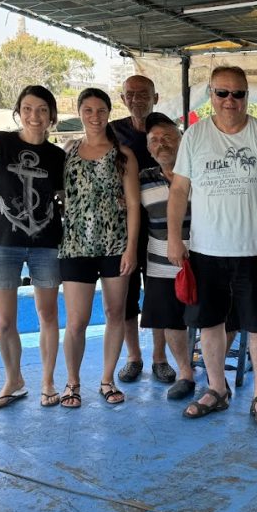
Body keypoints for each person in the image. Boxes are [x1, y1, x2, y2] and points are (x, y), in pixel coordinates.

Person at [166, 66, 257, 426]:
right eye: (222, 93)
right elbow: (178, 190)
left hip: (255, 251)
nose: (230, 101)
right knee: (210, 324)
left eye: (238, 94)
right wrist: (175, 237)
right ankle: (216, 389)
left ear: (247, 95)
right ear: (211, 95)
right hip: (206, 250)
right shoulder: (195, 136)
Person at [0, 85, 65, 409]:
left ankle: (48, 381)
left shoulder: (58, 157)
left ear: (51, 115)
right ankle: (14, 380)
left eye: (41, 109)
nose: (34, 116)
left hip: (46, 244)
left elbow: (68, 198)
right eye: (27, 108)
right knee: (4, 322)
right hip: (2, 243)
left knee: (48, 314)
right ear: (18, 112)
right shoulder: (1, 142)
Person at [58, 88, 140, 408]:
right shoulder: (67, 151)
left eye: (101, 110)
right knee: (77, 320)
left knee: (114, 313)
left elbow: (134, 204)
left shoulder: (123, 155)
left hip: (114, 244)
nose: (95, 116)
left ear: (108, 113)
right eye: (88, 110)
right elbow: (49, 191)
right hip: (75, 244)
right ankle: (72, 382)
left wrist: (131, 248)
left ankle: (107, 380)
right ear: (80, 112)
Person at [109, 75, 172, 385]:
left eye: (143, 94)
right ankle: (134, 357)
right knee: (126, 296)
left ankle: (160, 357)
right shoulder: (113, 131)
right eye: (130, 94)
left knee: (159, 295)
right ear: (123, 99)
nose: (136, 99)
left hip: (161, 229)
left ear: (155, 97)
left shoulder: (165, 128)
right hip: (125, 230)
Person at [138, 112, 197, 401]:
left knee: (221, 317)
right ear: (149, 148)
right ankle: (185, 372)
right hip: (160, 262)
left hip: (204, 257)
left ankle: (212, 365)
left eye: (168, 138)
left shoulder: (201, 173)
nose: (162, 144)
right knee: (171, 320)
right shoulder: (142, 180)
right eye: (155, 141)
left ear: (182, 141)